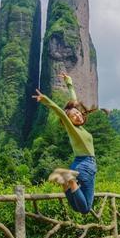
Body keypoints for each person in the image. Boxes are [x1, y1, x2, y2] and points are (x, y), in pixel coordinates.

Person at [32, 73, 107, 214]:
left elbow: (74, 101)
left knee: (77, 207)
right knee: (85, 209)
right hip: (86, 165)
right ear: (69, 120)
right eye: (74, 116)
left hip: (78, 164)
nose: (78, 115)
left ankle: (66, 184)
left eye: (78, 114)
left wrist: (69, 83)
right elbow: (61, 113)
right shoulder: (72, 129)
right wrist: (45, 100)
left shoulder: (80, 128)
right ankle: (71, 180)